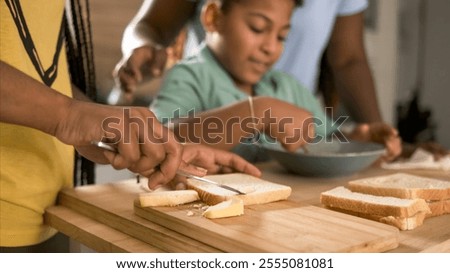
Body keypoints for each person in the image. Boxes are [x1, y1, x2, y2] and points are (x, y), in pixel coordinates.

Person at [0, 0, 259, 252]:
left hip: (40, 211)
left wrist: (114, 131)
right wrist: (67, 115)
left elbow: (34, 70)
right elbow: (63, 113)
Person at [149, 0, 401, 163]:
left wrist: (359, 137)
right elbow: (156, 141)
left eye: (282, 36)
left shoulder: (286, 87)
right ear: (214, 18)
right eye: (258, 28)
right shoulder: (190, 76)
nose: (271, 47)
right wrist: (254, 113)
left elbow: (326, 139)